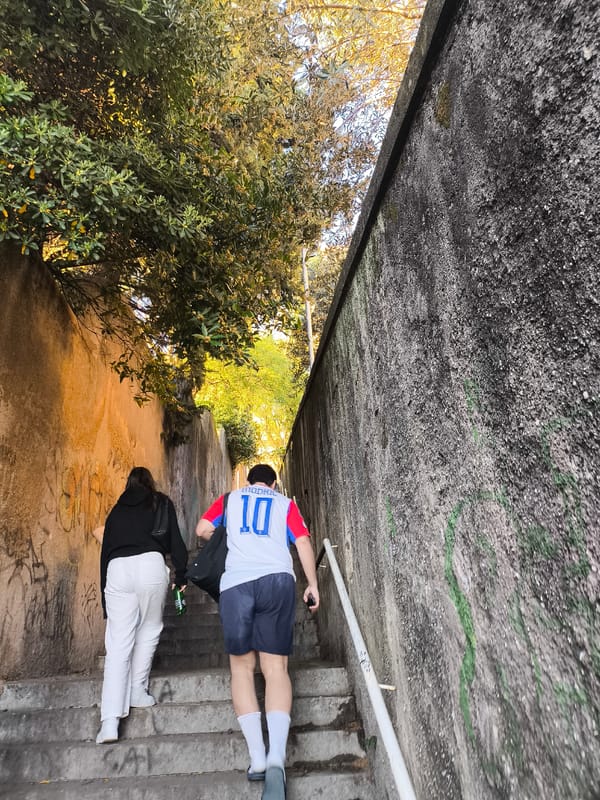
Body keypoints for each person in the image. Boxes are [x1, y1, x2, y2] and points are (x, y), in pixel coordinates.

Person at [195, 463, 319, 800]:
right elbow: (304, 541)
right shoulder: (284, 504)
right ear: (274, 483)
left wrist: (227, 536)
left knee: (241, 668)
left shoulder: (229, 499)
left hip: (236, 584)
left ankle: (258, 759)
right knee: (275, 668)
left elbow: (202, 529)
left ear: (248, 481)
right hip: (277, 580)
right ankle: (278, 756)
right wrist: (312, 584)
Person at [96, 466, 188, 744]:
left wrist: (104, 598)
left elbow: (105, 553)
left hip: (116, 571)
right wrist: (181, 575)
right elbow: (176, 541)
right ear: (150, 482)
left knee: (117, 644)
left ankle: (109, 722)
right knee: (149, 629)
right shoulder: (160, 502)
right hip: (150, 564)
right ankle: (137, 690)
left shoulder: (116, 511)